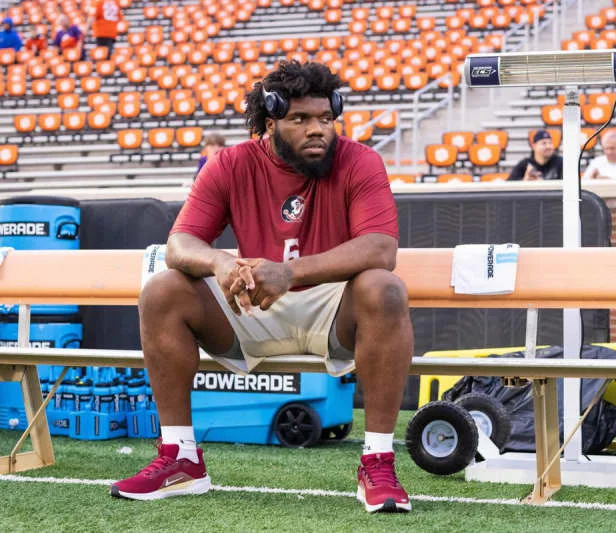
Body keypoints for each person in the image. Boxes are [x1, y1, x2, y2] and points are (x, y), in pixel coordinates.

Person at [110, 61, 414, 514]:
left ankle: (378, 462)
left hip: (333, 307)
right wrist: (218, 260)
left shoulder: (360, 159)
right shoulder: (230, 163)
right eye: (300, 120)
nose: (318, 131)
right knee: (163, 290)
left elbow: (380, 248)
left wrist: (289, 273)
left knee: (384, 287)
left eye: (325, 119)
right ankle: (181, 458)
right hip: (254, 307)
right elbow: (179, 244)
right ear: (269, 122)